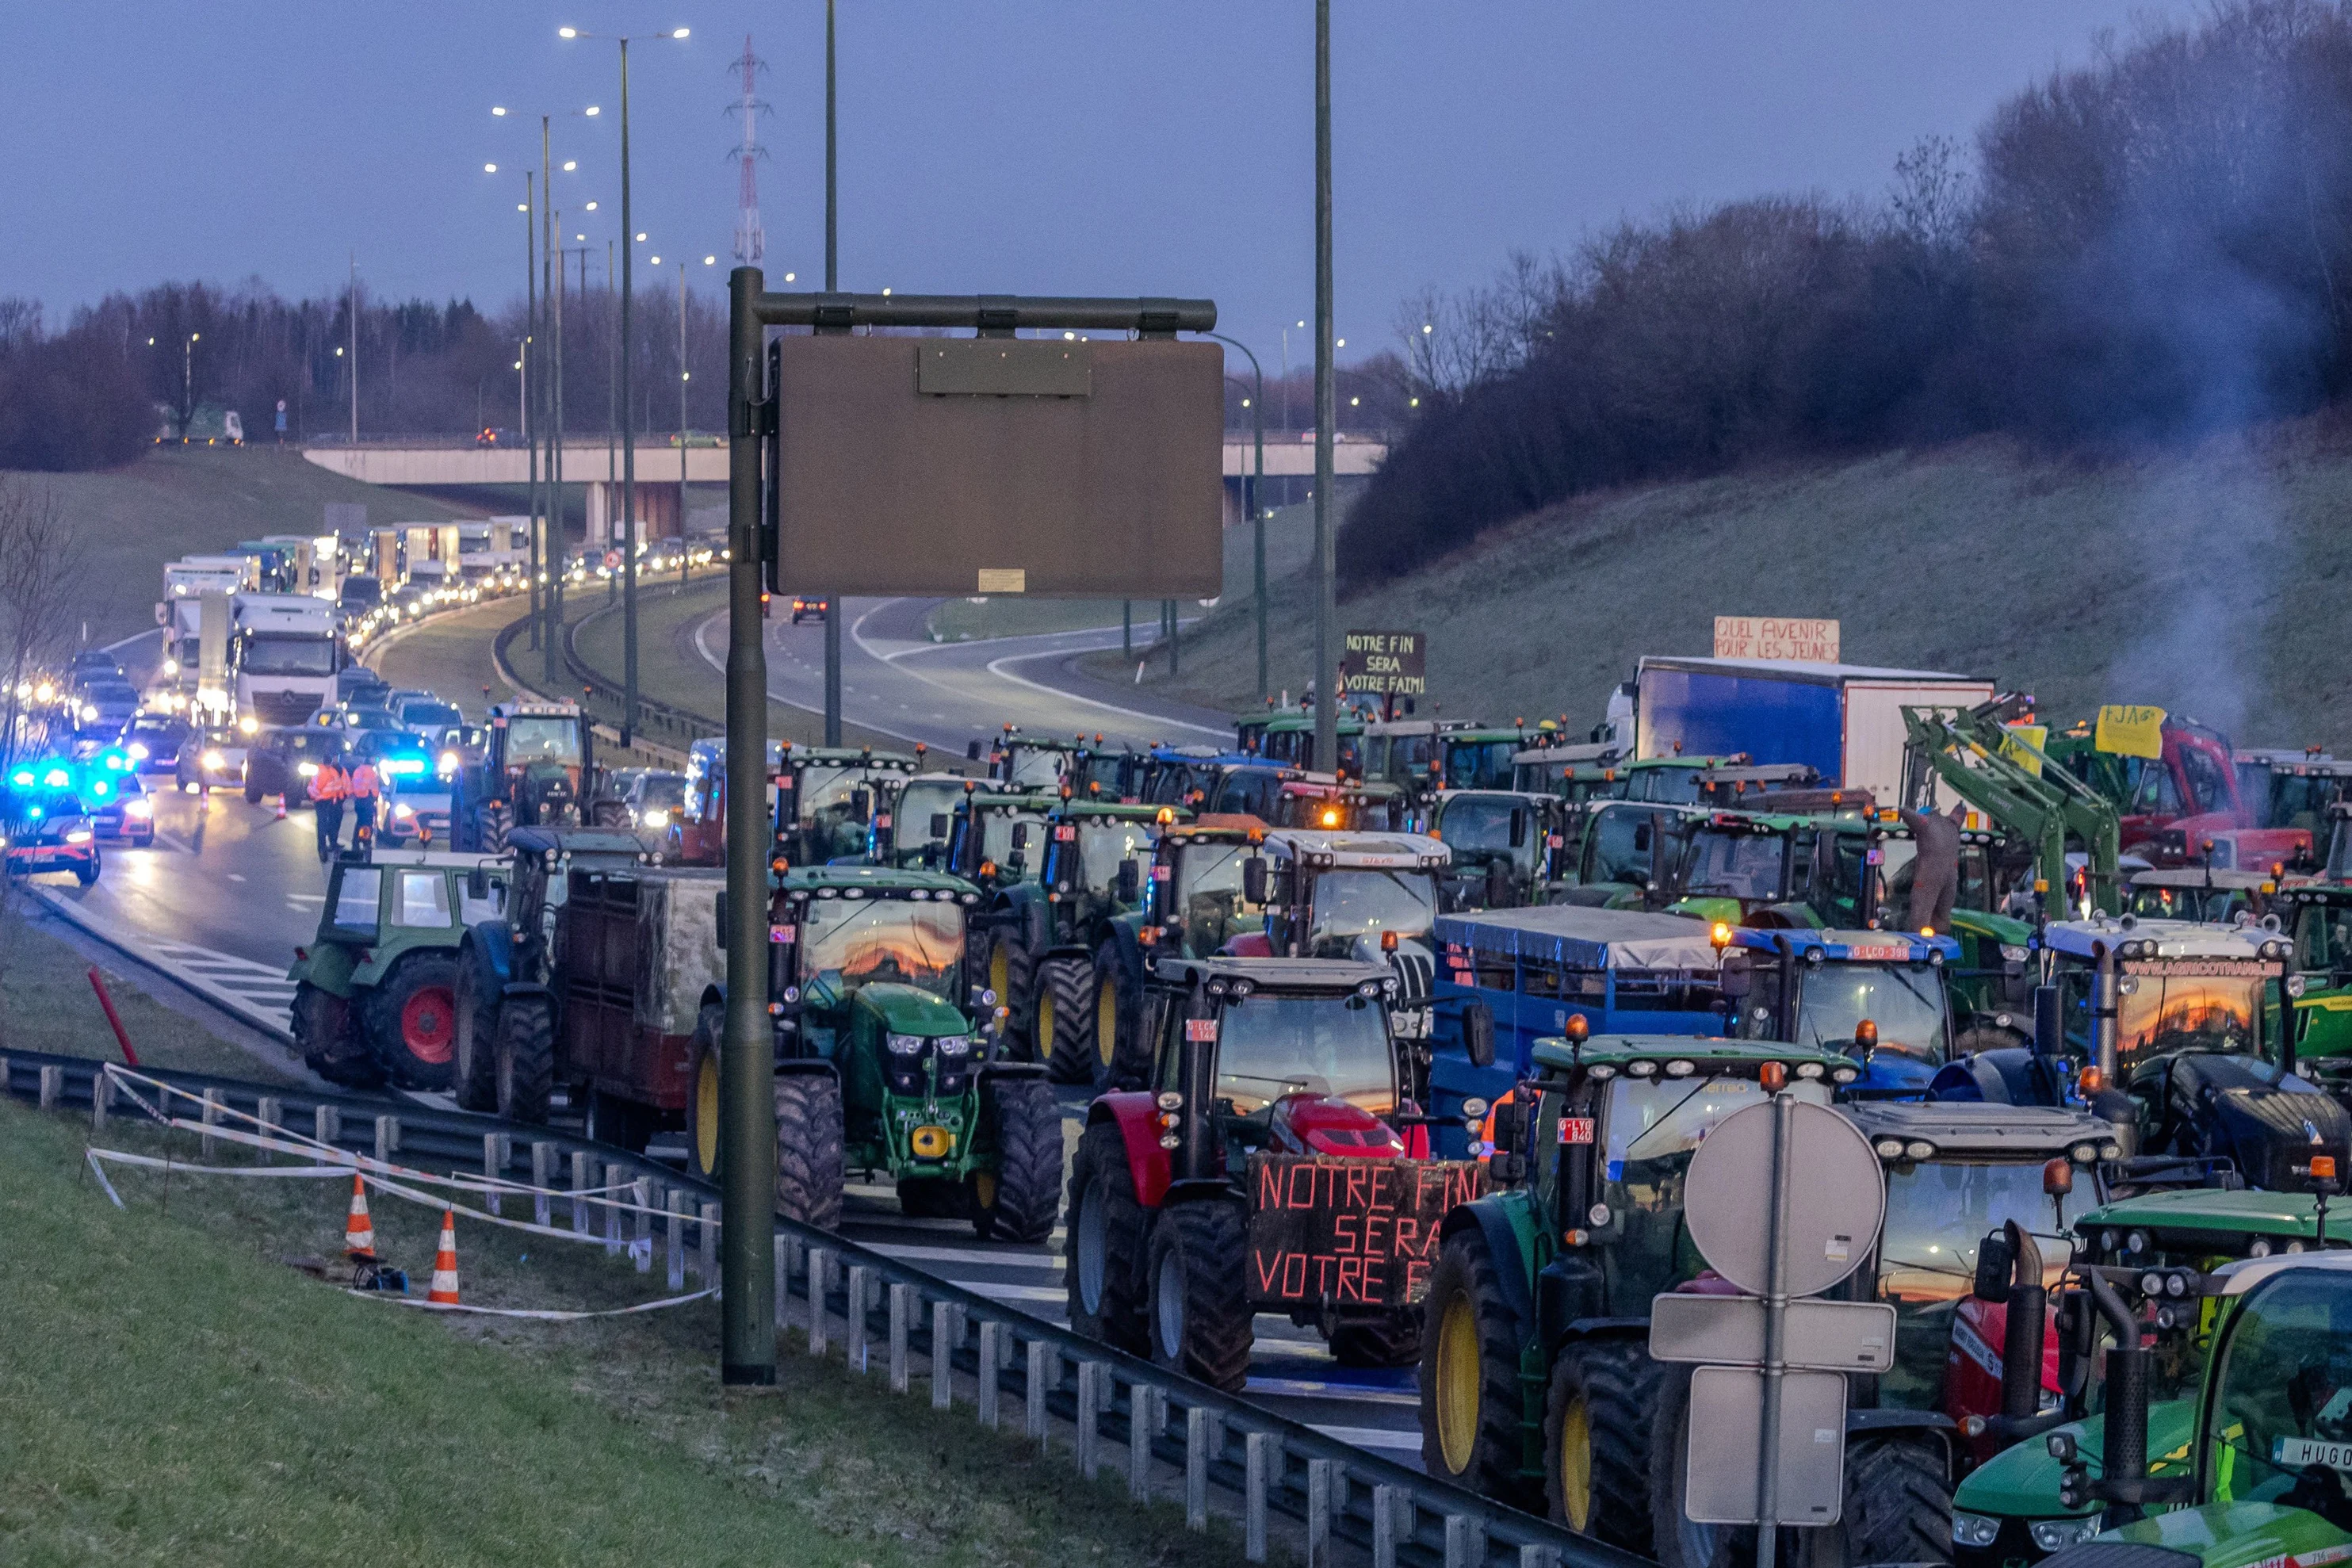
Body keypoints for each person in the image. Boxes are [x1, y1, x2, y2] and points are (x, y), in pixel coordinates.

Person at [1898, 799, 1966, 935]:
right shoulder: (1954, 832)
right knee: (1942, 916)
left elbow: (1910, 816)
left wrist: (1901, 809)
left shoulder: (1927, 823)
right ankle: (1939, 939)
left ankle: (1919, 945)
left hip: (1928, 878)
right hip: (1950, 883)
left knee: (1920, 914)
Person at [311, 753, 349, 861]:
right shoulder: (326, 772)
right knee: (323, 824)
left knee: (328, 823)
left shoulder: (333, 771)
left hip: (332, 800)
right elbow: (317, 788)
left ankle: (327, 845)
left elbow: (338, 786)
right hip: (323, 801)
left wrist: (341, 797)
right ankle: (322, 848)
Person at [348, 751, 381, 849]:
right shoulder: (370, 771)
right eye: (374, 759)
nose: (375, 761)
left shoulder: (359, 770)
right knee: (367, 823)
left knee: (361, 822)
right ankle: (365, 842)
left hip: (360, 800)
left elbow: (355, 785)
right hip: (367, 799)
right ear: (370, 760)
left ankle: (356, 843)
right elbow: (373, 787)